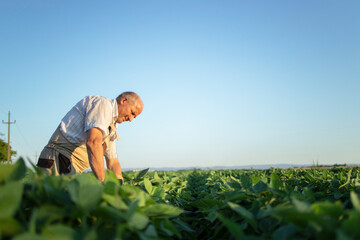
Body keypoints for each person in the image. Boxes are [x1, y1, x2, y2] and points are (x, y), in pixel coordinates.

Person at [36, 91, 143, 183]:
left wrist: (120, 189)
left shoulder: (112, 126)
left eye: (134, 117)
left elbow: (113, 162)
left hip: (72, 168)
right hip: (57, 160)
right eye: (132, 113)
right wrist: (102, 183)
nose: (131, 119)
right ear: (124, 100)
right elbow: (93, 143)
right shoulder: (103, 105)